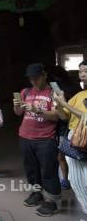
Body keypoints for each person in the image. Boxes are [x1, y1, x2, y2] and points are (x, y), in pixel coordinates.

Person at [13, 63, 61, 217]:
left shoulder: (54, 91)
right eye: (31, 79)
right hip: (25, 136)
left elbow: (57, 116)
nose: (33, 81)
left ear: (44, 75)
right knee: (31, 169)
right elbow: (18, 113)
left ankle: (52, 202)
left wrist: (37, 110)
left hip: (46, 138)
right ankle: (36, 193)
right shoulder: (25, 91)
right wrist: (17, 106)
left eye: (36, 78)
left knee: (49, 171)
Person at [54, 60, 87, 214]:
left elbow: (85, 116)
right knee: (76, 180)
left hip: (84, 139)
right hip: (73, 139)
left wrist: (65, 104)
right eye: (80, 71)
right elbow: (64, 117)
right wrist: (59, 103)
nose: (82, 75)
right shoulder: (78, 95)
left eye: (86, 71)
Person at [48, 66, 81, 190]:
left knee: (62, 155)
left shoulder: (61, 88)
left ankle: (66, 180)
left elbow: (60, 108)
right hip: (69, 125)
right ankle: (69, 180)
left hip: (64, 126)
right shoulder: (75, 86)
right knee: (69, 155)